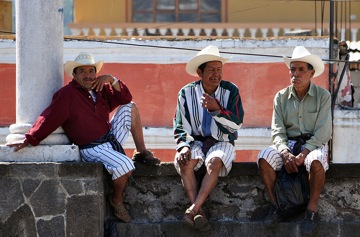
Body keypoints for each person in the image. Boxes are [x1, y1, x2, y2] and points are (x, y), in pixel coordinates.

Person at [6, 52, 160, 223]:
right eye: (83, 71)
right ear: (74, 74)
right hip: (92, 147)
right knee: (125, 165)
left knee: (130, 107)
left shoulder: (100, 89)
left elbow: (125, 98)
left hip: (110, 139)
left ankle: (141, 151)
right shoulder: (67, 94)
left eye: (91, 71)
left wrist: (112, 79)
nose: (88, 75)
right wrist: (29, 139)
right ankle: (116, 200)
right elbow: (49, 118)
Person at [257, 46, 332, 236]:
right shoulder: (280, 97)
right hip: (288, 144)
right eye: (293, 69)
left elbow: (323, 132)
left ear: (311, 72)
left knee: (316, 162)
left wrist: (303, 153)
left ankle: (311, 211)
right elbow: (277, 130)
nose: (295, 74)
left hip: (312, 143)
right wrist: (284, 152)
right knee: (264, 158)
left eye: (301, 70)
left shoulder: (323, 96)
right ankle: (277, 207)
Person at [173, 45, 244, 231]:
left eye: (219, 69)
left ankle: (193, 209)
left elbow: (236, 124)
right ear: (200, 72)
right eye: (211, 70)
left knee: (214, 162)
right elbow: (180, 124)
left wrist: (216, 110)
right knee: (185, 161)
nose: (216, 74)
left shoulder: (231, 91)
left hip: (223, 141)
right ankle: (199, 212)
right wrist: (184, 146)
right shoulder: (186, 93)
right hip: (195, 140)